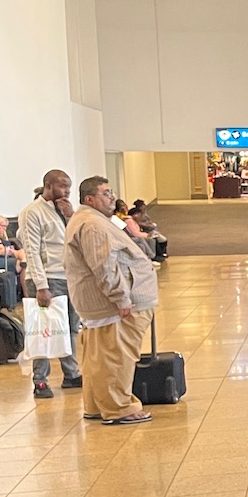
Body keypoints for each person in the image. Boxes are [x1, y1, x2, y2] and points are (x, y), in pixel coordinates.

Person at [64, 176, 159, 425]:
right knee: (117, 356)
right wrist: (121, 298)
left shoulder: (90, 220)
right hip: (114, 305)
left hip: (101, 304)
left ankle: (97, 404)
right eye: (106, 193)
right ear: (89, 199)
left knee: (99, 356)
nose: (112, 198)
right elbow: (104, 266)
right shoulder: (93, 225)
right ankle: (119, 407)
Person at [18, 170, 83, 400]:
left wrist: (71, 216)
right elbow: (32, 252)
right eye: (62, 186)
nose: (66, 191)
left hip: (68, 276)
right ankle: (40, 381)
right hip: (46, 279)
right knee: (44, 330)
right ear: (48, 185)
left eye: (69, 187)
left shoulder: (64, 211)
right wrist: (41, 285)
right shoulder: (32, 213)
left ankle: (72, 374)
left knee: (70, 328)